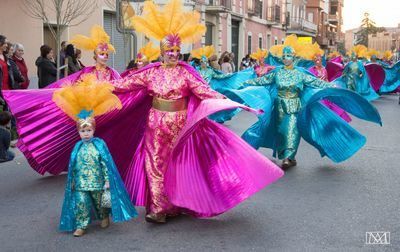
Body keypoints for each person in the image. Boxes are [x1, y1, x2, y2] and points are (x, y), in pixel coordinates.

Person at [3, 0, 283, 225]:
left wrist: (238, 103)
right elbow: (123, 85)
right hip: (155, 125)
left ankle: (178, 203)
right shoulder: (150, 75)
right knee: (155, 165)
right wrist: (92, 91)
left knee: (180, 165)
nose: (172, 54)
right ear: (161, 52)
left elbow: (206, 93)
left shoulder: (188, 75)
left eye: (176, 50)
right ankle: (159, 208)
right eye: (168, 50)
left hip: (183, 127)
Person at [231, 45, 381, 170]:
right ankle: (287, 155)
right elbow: (262, 81)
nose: (285, 58)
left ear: (294, 58)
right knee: (280, 131)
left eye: (288, 55)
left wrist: (330, 85)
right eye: (283, 55)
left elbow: (315, 82)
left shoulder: (300, 74)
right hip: (279, 107)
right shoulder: (277, 72)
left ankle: (288, 157)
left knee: (291, 130)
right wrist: (247, 83)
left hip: (294, 106)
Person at [54, 75, 137, 237]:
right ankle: (81, 225)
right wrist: (71, 181)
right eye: (82, 131)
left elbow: (105, 163)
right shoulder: (77, 147)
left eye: (88, 130)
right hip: (80, 183)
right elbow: (73, 166)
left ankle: (104, 215)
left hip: (98, 182)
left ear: (94, 130)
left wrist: (106, 179)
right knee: (81, 203)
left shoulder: (99, 145)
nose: (86, 134)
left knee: (100, 203)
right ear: (78, 132)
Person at [47, 25, 121, 88]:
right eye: (102, 54)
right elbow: (74, 82)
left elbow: (122, 85)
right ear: (95, 56)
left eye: (107, 54)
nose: (105, 56)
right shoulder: (87, 71)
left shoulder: (113, 72)